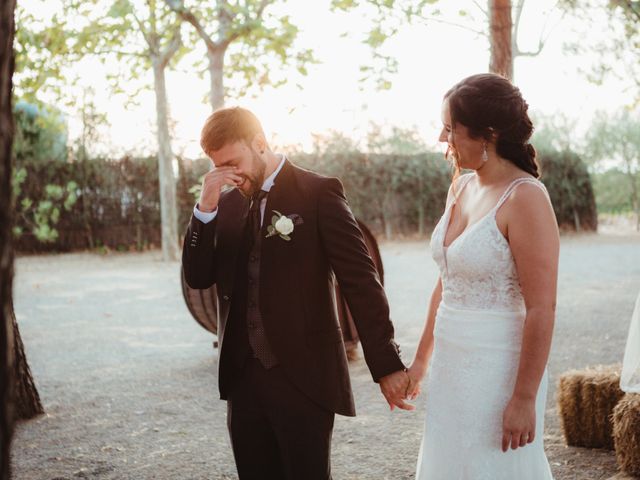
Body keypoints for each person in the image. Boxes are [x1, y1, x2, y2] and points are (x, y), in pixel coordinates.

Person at [181, 107, 412, 480]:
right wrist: (204, 208)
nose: (230, 175)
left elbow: (361, 281)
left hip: (303, 380)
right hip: (242, 383)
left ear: (260, 143)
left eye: (233, 162)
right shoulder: (224, 204)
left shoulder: (318, 193)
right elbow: (198, 276)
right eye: (218, 166)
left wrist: (386, 364)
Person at [406, 73, 559, 479]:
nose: (443, 138)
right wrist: (421, 361)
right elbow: (447, 280)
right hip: (451, 367)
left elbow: (542, 308)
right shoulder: (460, 187)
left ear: (487, 134)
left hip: (498, 370)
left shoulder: (525, 197)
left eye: (451, 128)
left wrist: (524, 398)